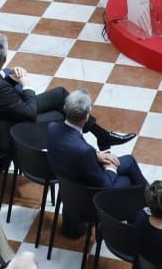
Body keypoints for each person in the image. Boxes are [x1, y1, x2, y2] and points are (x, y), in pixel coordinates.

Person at [0, 34, 132, 150]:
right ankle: (82, 151)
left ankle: (101, 136)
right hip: (13, 126)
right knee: (64, 113)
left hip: (4, 113)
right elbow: (30, 112)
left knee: (61, 94)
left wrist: (12, 79)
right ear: (4, 59)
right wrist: (26, 85)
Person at [45, 90, 146, 233]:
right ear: (87, 117)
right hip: (87, 192)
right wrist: (111, 168)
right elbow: (105, 184)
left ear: (65, 108)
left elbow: (70, 151)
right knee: (129, 182)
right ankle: (155, 208)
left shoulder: (52, 128)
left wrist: (96, 155)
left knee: (128, 161)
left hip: (68, 187)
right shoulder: (84, 151)